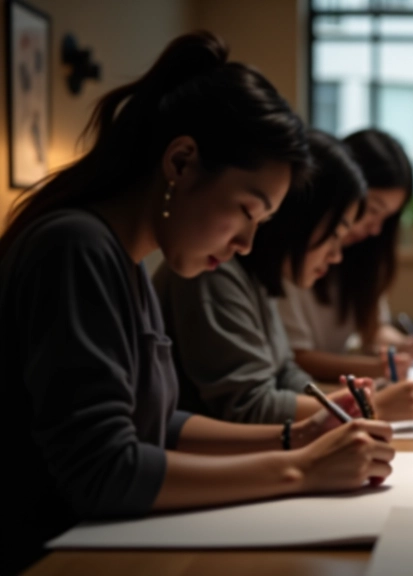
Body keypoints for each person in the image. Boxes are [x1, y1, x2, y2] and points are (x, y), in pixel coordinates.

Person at [0, 32, 393, 574]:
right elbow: (104, 469)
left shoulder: (127, 261)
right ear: (181, 162)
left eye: (262, 224)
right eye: (246, 211)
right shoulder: (74, 247)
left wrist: (293, 436)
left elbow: (158, 422)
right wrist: (300, 470)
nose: (246, 246)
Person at [155, 130, 413, 424]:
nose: (337, 255)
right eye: (333, 235)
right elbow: (250, 406)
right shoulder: (213, 269)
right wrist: (363, 409)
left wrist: (340, 402)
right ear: (300, 218)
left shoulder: (257, 275)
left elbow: (285, 369)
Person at [279, 129, 413, 382]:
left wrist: (403, 348)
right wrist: (380, 368)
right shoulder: (291, 256)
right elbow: (292, 359)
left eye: (386, 218)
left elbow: (373, 329)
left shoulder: (361, 257)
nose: (375, 229)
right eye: (372, 210)